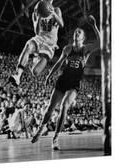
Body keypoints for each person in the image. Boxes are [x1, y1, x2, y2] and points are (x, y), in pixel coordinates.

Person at [31, 15, 100, 150]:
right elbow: (58, 63)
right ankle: (40, 130)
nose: (76, 32)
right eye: (75, 31)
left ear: (83, 38)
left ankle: (55, 138)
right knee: (50, 108)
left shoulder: (85, 50)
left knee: (64, 106)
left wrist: (94, 25)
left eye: (79, 32)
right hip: (62, 80)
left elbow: (99, 42)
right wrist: (49, 75)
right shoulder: (67, 48)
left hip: (74, 84)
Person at [9, 0, 64, 86]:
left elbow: (62, 24)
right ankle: (18, 75)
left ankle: (35, 57)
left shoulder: (56, 10)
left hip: (50, 44)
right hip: (40, 38)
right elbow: (37, 31)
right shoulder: (35, 12)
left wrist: (53, 14)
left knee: (35, 72)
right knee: (28, 45)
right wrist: (39, 17)